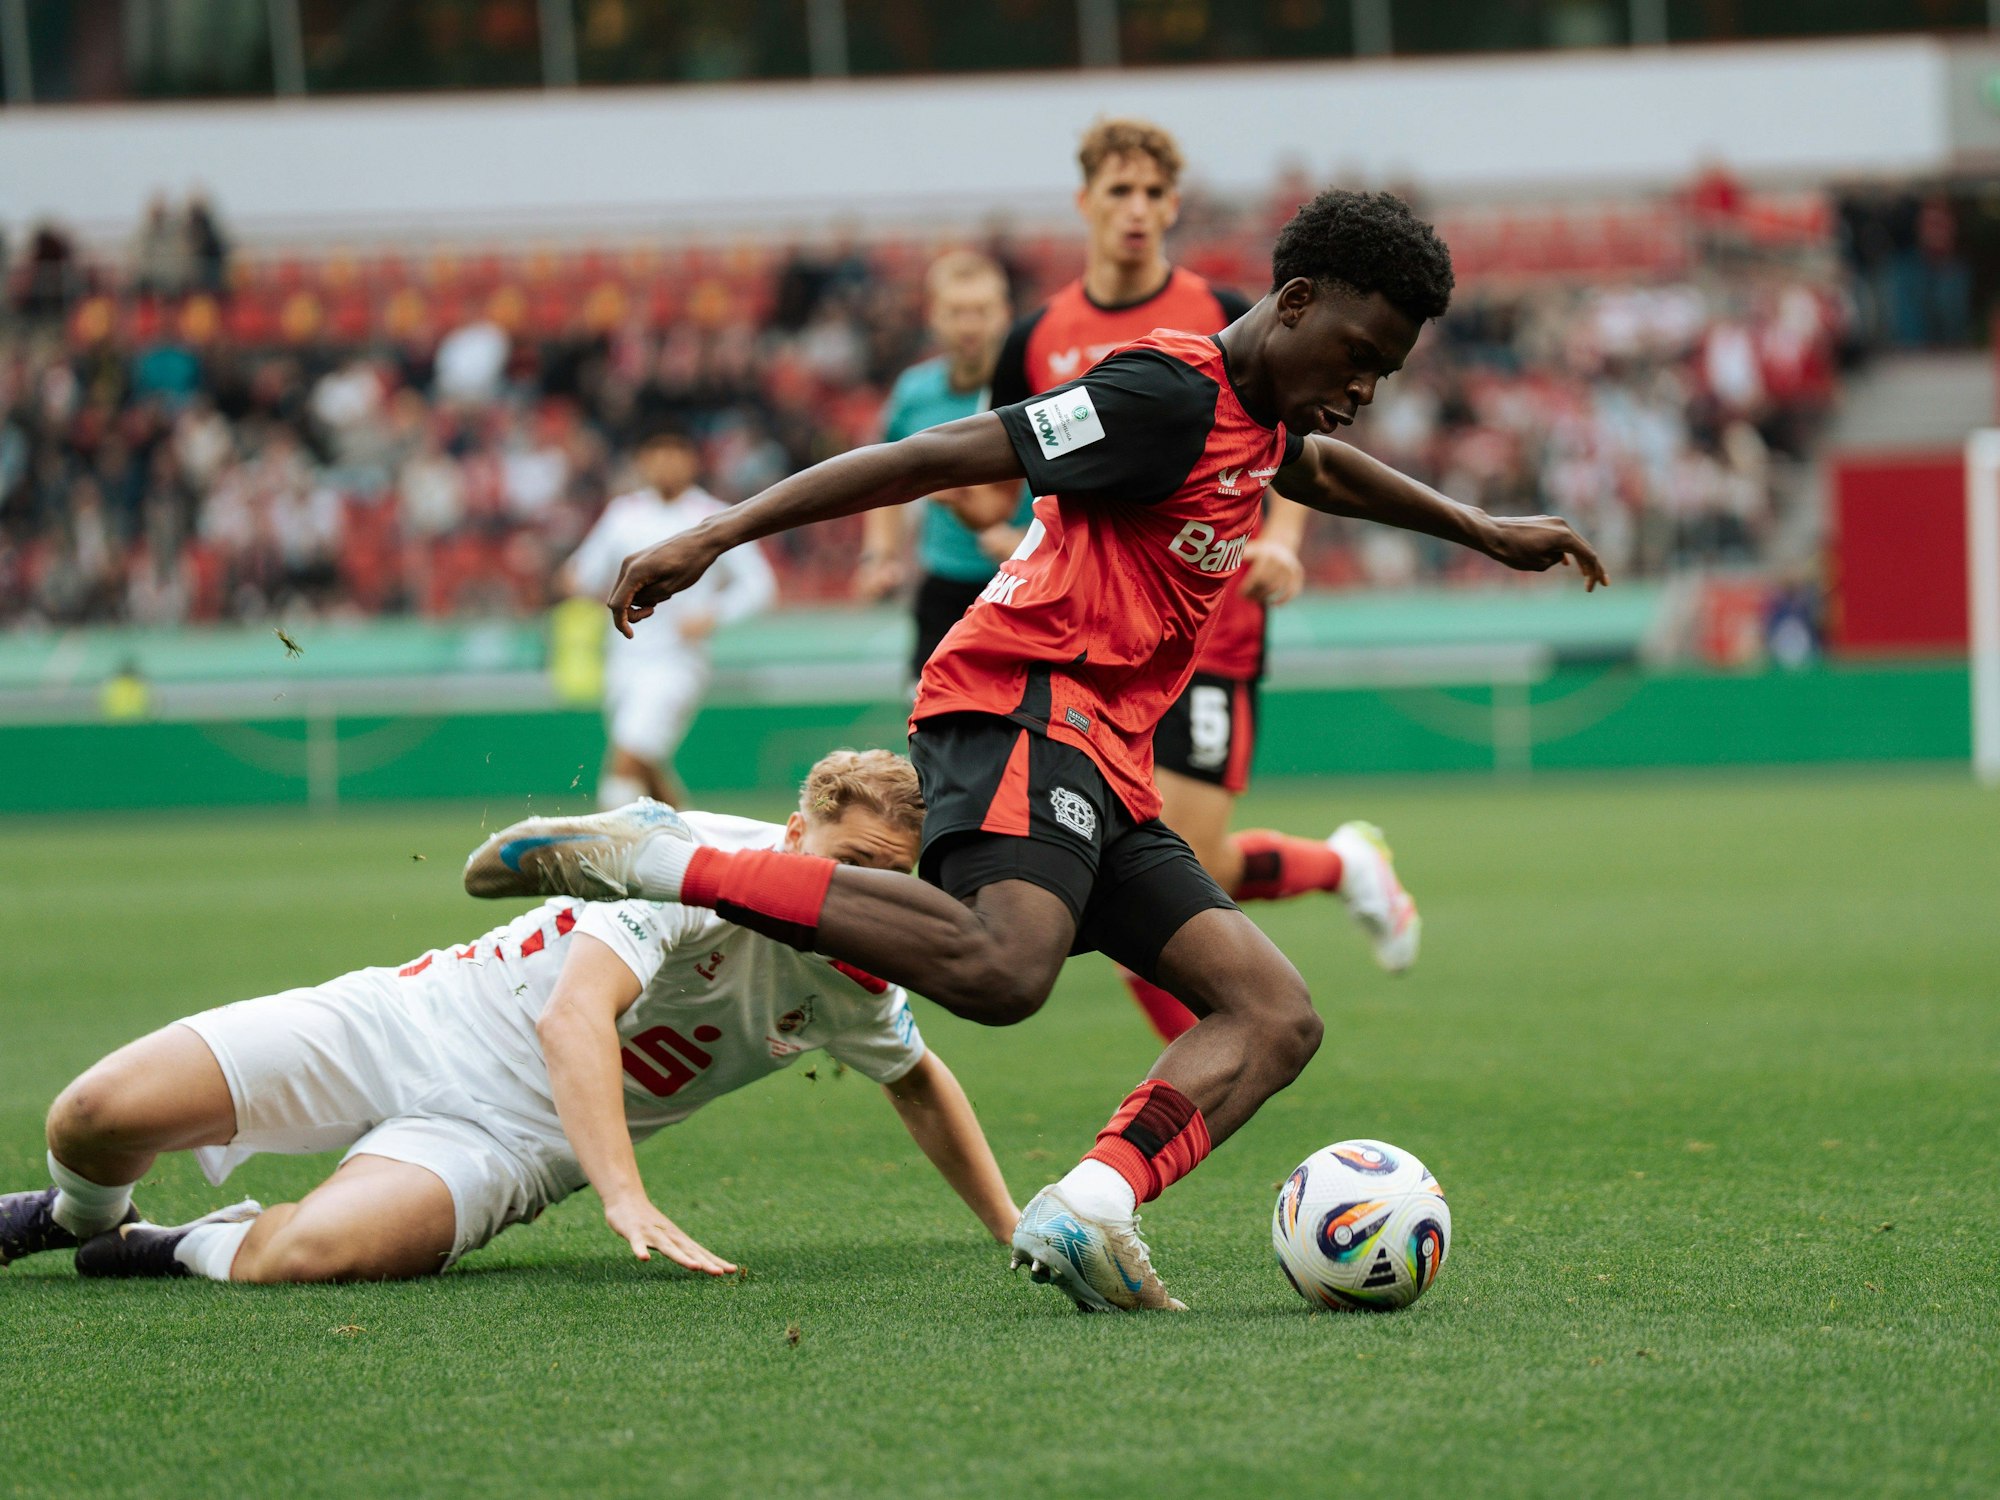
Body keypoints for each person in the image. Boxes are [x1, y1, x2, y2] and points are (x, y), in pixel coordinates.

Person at [469, 189, 1606, 1313]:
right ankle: (666, 857)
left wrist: (1482, 530)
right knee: (1006, 971)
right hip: (1016, 693)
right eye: (1356, 355)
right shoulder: (1161, 393)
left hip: (1105, 751)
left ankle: (1092, 1205)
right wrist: (716, 533)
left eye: (1384, 373)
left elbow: (1307, 467)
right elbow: (944, 453)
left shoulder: (1264, 423)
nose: (1361, 390)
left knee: (1274, 1014)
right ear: (1295, 302)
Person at [0, 752, 1017, 1283]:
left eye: (895, 885)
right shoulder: (690, 857)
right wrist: (625, 1195)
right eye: (850, 871)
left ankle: (178, 1244)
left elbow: (916, 1078)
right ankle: (77, 1216)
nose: (867, 902)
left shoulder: (860, 970)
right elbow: (573, 1019)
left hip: (514, 1144)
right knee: (90, 1115)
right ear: (794, 833)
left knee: (310, 1258)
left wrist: (1013, 1229)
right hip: (410, 1017)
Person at [989, 119, 1417, 1046]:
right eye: (1119, 193)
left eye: (1153, 194)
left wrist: (1288, 544)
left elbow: (1297, 454)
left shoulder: (1232, 314)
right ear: (1087, 204)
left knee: (1157, 861)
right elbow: (999, 470)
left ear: (1173, 205)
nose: (1137, 210)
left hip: (1210, 627)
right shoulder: (1036, 338)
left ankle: (1203, 1063)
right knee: (1168, 861)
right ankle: (1338, 870)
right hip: (1091, 635)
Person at [562, 421, 776, 808]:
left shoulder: (712, 516)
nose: (665, 464)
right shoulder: (623, 514)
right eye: (656, 455)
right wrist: (574, 580)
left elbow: (759, 584)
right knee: (646, 762)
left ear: (691, 461)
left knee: (627, 760)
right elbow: (583, 574)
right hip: (623, 656)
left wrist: (713, 613)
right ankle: (695, 844)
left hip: (677, 659)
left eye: (674, 454)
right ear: (642, 462)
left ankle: (612, 850)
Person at [856, 250, 1032, 686]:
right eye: (956, 312)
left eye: (982, 311)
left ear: (1005, 314)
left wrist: (1026, 540)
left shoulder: (1041, 385)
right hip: (943, 588)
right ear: (933, 316)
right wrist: (880, 555)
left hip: (1029, 585)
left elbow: (1083, 486)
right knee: (927, 731)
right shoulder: (914, 393)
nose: (970, 325)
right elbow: (885, 481)